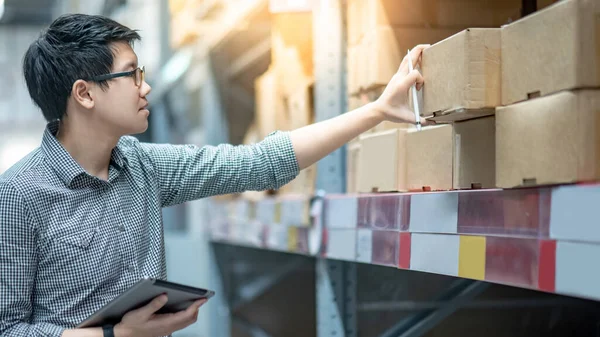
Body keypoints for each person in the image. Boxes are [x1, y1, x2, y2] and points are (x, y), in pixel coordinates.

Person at [0, 13, 430, 337]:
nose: (145, 87)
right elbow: (9, 329)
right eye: (132, 74)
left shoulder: (141, 166)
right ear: (84, 93)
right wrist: (118, 334)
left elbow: (260, 162)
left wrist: (376, 110)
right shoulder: (19, 195)